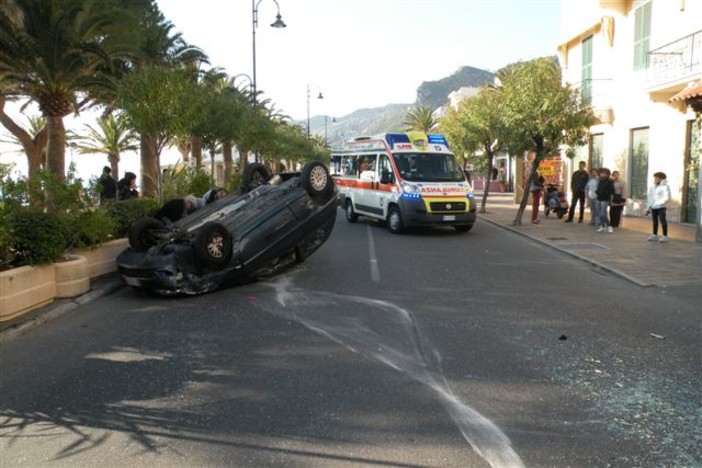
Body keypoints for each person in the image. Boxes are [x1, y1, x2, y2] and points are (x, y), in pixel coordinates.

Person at [645, 171, 672, 243]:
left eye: (656, 178)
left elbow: (667, 198)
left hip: (661, 207)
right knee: (654, 221)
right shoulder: (652, 186)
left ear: (661, 179)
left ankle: (664, 236)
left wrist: (659, 203)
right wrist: (648, 207)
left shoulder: (665, 186)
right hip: (653, 206)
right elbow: (650, 197)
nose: (655, 179)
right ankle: (654, 234)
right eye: (655, 178)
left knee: (663, 221)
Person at [595, 168, 614, 233]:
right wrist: (597, 192)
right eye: (601, 173)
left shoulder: (609, 181)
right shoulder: (600, 180)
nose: (601, 174)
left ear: (607, 174)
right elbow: (598, 188)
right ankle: (602, 227)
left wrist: (604, 192)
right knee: (600, 214)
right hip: (599, 198)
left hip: (605, 199)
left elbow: (612, 191)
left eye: (603, 173)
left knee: (603, 214)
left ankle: (609, 226)